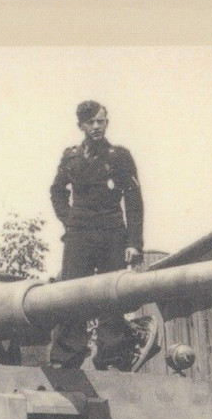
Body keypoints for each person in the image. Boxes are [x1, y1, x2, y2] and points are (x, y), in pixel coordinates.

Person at [48, 100, 145, 370]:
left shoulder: (119, 157)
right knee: (71, 294)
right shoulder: (71, 157)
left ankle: (112, 357)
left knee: (112, 295)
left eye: (101, 121)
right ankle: (67, 358)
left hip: (112, 232)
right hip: (79, 235)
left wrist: (133, 242)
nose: (96, 126)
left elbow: (133, 200)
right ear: (81, 125)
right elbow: (57, 191)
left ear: (107, 123)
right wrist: (69, 220)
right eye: (90, 122)